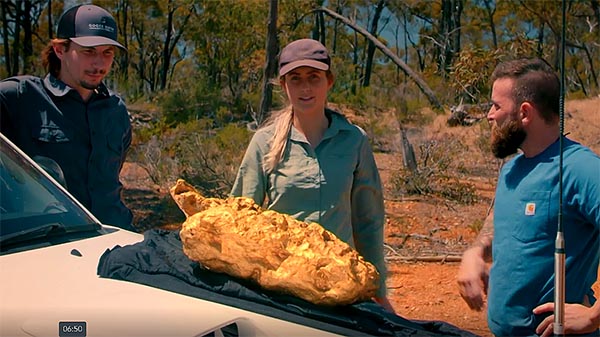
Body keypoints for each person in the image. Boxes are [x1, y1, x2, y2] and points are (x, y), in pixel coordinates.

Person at [230, 38, 394, 311]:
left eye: (314, 77)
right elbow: (239, 217)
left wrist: (378, 289)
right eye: (295, 79)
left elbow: (368, 221)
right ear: (284, 85)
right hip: (281, 287)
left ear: (329, 81)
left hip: (339, 285)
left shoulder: (354, 141)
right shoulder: (264, 143)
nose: (305, 87)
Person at [457, 58, 600, 337]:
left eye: (496, 106)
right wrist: (474, 252)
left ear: (524, 113)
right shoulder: (513, 169)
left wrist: (593, 317)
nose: (489, 115)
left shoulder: (581, 169)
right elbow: (502, 221)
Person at [0, 4, 135, 231]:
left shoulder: (116, 109)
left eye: (107, 53)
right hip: (50, 242)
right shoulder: (19, 98)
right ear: (60, 50)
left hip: (117, 234)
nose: (99, 64)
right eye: (88, 51)